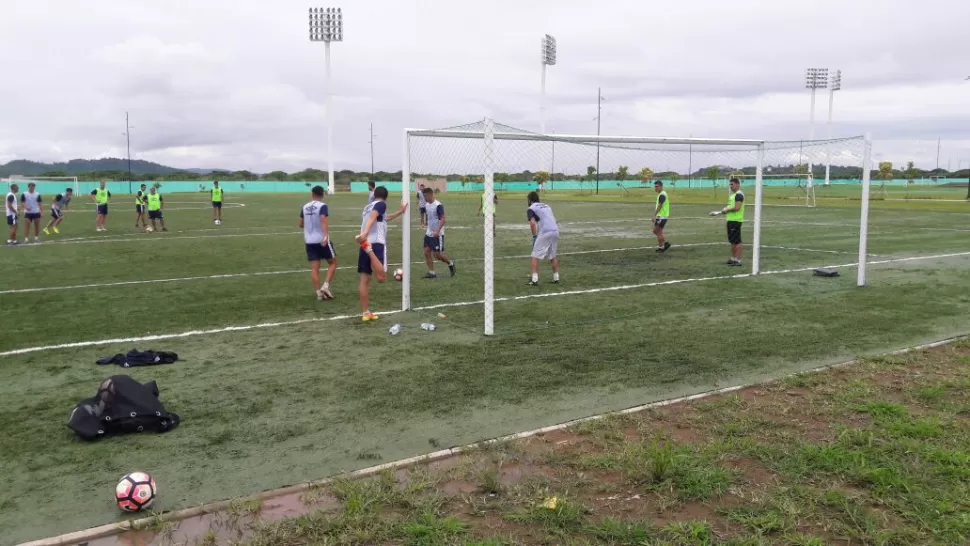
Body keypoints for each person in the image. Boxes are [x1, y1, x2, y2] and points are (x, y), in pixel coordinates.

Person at [354, 186, 407, 322]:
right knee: (381, 277)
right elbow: (373, 217)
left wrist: (400, 211)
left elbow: (384, 218)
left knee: (364, 279)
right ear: (386, 197)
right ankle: (368, 250)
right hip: (375, 243)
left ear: (374, 194)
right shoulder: (381, 204)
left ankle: (366, 312)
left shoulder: (368, 207)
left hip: (365, 242)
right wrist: (365, 233)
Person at [299, 185, 337, 300]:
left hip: (309, 241)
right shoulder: (322, 206)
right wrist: (325, 235)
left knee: (314, 268)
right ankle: (325, 286)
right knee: (333, 262)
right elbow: (323, 219)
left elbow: (300, 224)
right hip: (321, 239)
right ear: (323, 194)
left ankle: (318, 293)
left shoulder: (305, 207)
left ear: (312, 194)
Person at [527, 191, 560, 286]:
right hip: (555, 230)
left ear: (529, 200)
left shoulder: (531, 208)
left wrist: (534, 236)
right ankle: (556, 277)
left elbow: (533, 223)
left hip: (546, 232)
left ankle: (534, 279)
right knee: (552, 255)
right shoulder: (547, 206)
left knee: (534, 255)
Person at [421, 187, 456, 279]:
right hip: (429, 233)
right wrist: (426, 223)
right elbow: (429, 215)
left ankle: (450, 263)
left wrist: (437, 230)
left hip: (437, 234)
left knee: (437, 255)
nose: (425, 198)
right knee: (426, 252)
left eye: (425, 196)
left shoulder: (438, 205)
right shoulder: (427, 205)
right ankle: (432, 273)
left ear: (430, 194)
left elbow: (443, 219)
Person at [710, 177, 745, 266]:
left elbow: (737, 208)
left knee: (737, 241)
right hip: (730, 220)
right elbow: (731, 208)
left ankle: (738, 260)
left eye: (732, 184)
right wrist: (722, 211)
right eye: (730, 184)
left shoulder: (739, 195)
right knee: (732, 241)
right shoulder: (733, 195)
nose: (730, 186)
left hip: (736, 221)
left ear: (737, 184)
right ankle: (733, 259)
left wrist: (727, 210)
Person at [652, 180, 671, 253]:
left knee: (657, 231)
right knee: (658, 231)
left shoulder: (662, 195)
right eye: (655, 186)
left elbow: (660, 205)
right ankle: (661, 247)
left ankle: (665, 244)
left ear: (661, 186)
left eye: (657, 186)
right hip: (661, 216)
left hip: (662, 217)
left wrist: (654, 215)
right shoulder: (661, 194)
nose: (655, 188)